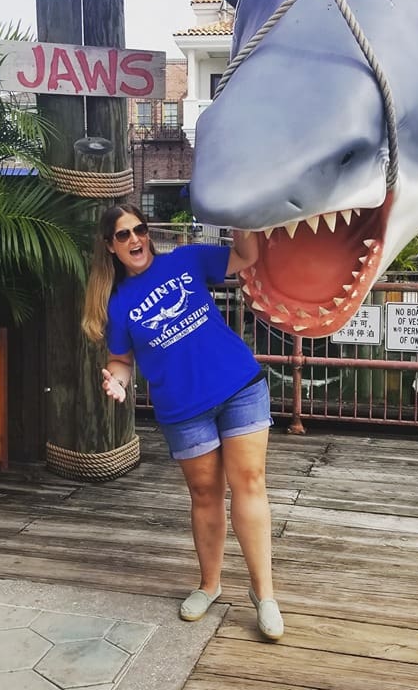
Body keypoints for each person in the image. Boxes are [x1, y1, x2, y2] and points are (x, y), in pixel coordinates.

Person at [82, 203, 283, 640]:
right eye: (123, 235)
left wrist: (241, 211)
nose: (135, 239)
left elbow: (245, 256)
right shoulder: (117, 305)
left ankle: (264, 594)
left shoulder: (186, 259)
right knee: (205, 493)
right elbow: (120, 360)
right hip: (183, 409)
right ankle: (210, 585)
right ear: (109, 246)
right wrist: (117, 382)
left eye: (139, 229)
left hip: (239, 386)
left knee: (250, 481)